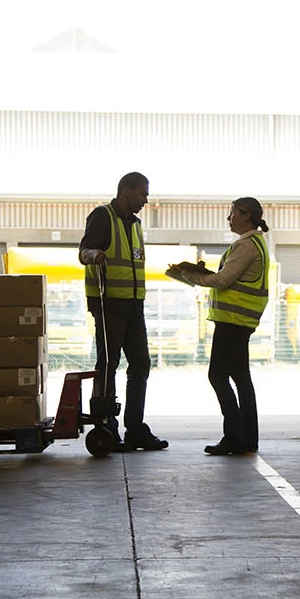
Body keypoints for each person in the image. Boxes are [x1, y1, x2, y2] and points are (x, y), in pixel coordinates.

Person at [167, 197, 270, 456]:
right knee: (240, 377)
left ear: (246, 216)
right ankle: (247, 438)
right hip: (239, 322)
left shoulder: (246, 245)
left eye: (232, 213)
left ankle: (234, 437)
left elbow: (224, 280)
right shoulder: (254, 243)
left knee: (218, 376)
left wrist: (189, 275)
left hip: (232, 322)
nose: (229, 218)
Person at [78, 172, 168, 452]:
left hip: (133, 305)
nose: (145, 199)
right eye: (142, 193)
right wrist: (94, 255)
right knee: (108, 364)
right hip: (109, 305)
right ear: (126, 192)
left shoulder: (136, 225)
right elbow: (84, 251)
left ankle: (135, 429)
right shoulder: (102, 216)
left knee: (141, 364)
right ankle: (106, 426)